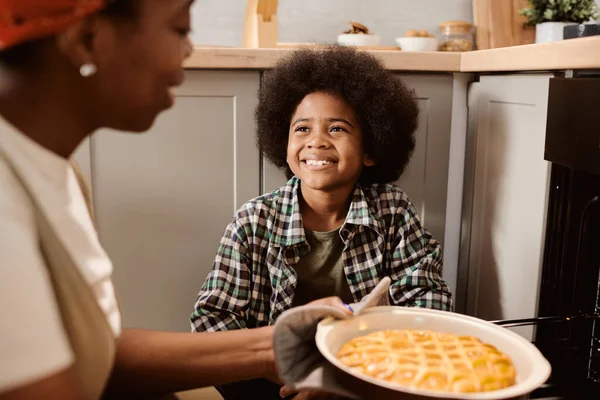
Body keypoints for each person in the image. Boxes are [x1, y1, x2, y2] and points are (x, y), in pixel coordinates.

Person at [0, 1, 352, 399]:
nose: (188, 49)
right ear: (89, 39)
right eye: (180, 29)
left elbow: (96, 353)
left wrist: (274, 346)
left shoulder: (53, 169)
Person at [191, 45, 453, 400]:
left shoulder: (393, 211)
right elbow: (211, 320)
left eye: (337, 128)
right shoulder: (254, 220)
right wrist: (288, 370)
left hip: (365, 372)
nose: (316, 141)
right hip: (271, 377)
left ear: (371, 149)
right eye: (301, 128)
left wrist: (356, 371)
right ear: (283, 142)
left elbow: (430, 298)